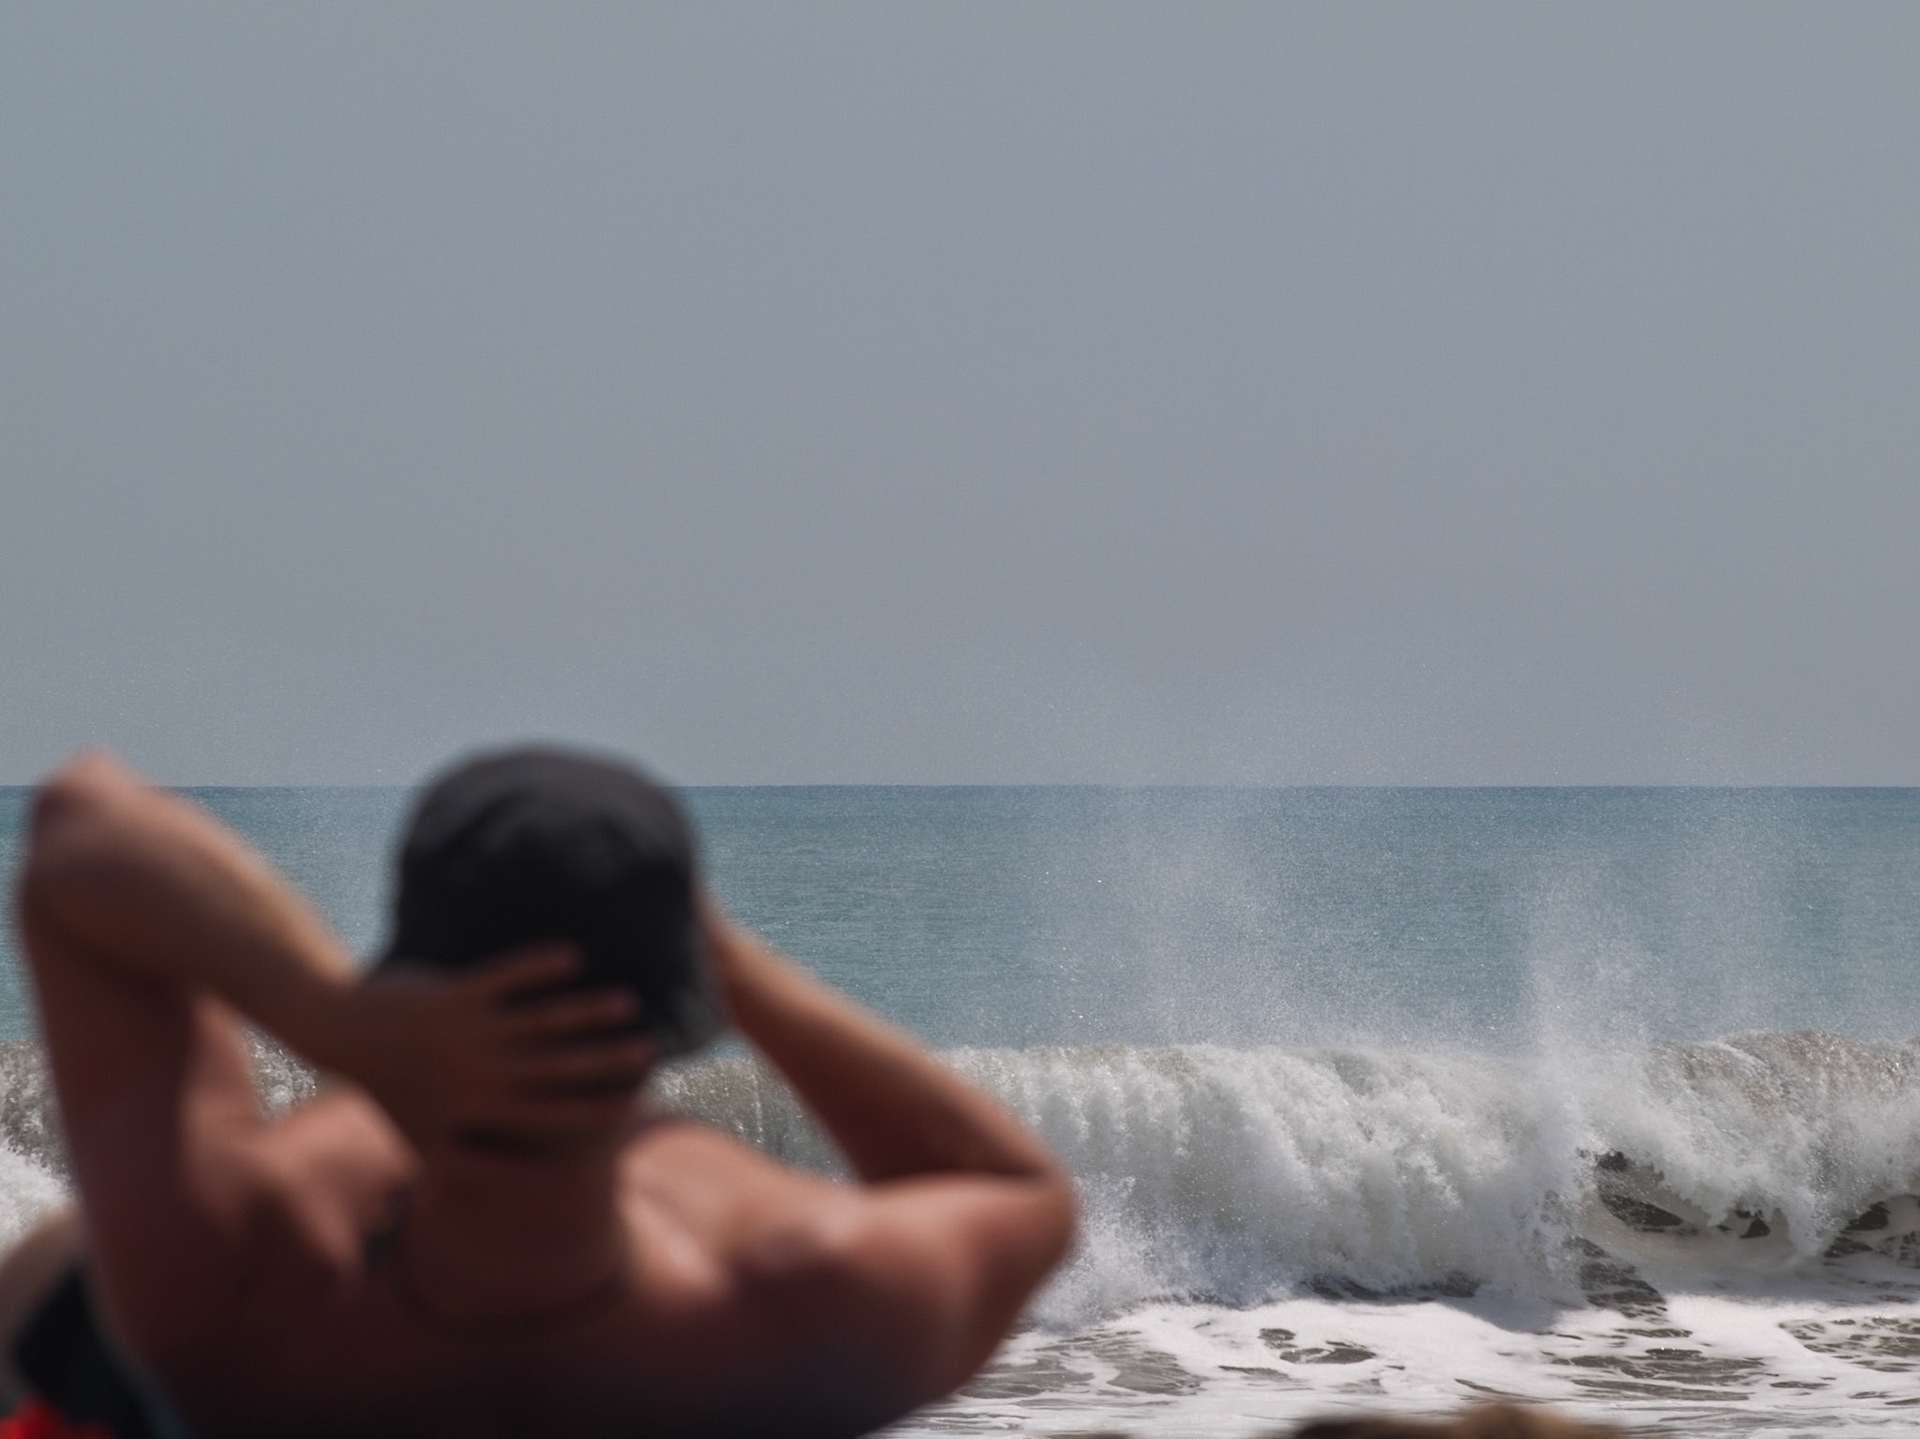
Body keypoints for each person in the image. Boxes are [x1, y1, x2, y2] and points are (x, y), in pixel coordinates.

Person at [0, 748, 1077, 1438]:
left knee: (51, 1269)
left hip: (178, 1385)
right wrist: (730, 967)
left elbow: (80, 825)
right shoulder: (791, 1321)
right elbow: (1014, 1190)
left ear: (412, 979)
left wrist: (331, 1013)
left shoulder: (245, 1291)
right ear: (672, 1018)